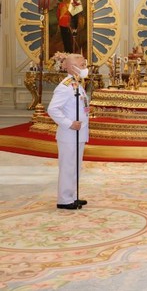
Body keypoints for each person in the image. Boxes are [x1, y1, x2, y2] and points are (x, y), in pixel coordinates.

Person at [47, 53, 90, 210]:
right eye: (82, 65)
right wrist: (69, 123)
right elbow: (52, 109)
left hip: (78, 133)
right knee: (68, 166)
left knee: (75, 166)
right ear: (73, 67)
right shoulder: (65, 86)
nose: (85, 67)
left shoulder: (76, 83)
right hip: (70, 133)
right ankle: (64, 199)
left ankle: (72, 196)